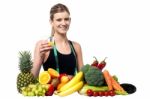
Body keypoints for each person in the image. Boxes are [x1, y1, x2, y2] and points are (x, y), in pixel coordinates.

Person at [32, 3, 84, 78]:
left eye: (66, 19)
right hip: (50, 89)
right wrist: (40, 56)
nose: (63, 23)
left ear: (70, 20)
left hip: (71, 90)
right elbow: (33, 78)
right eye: (59, 20)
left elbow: (82, 78)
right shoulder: (44, 45)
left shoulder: (76, 47)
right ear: (51, 22)